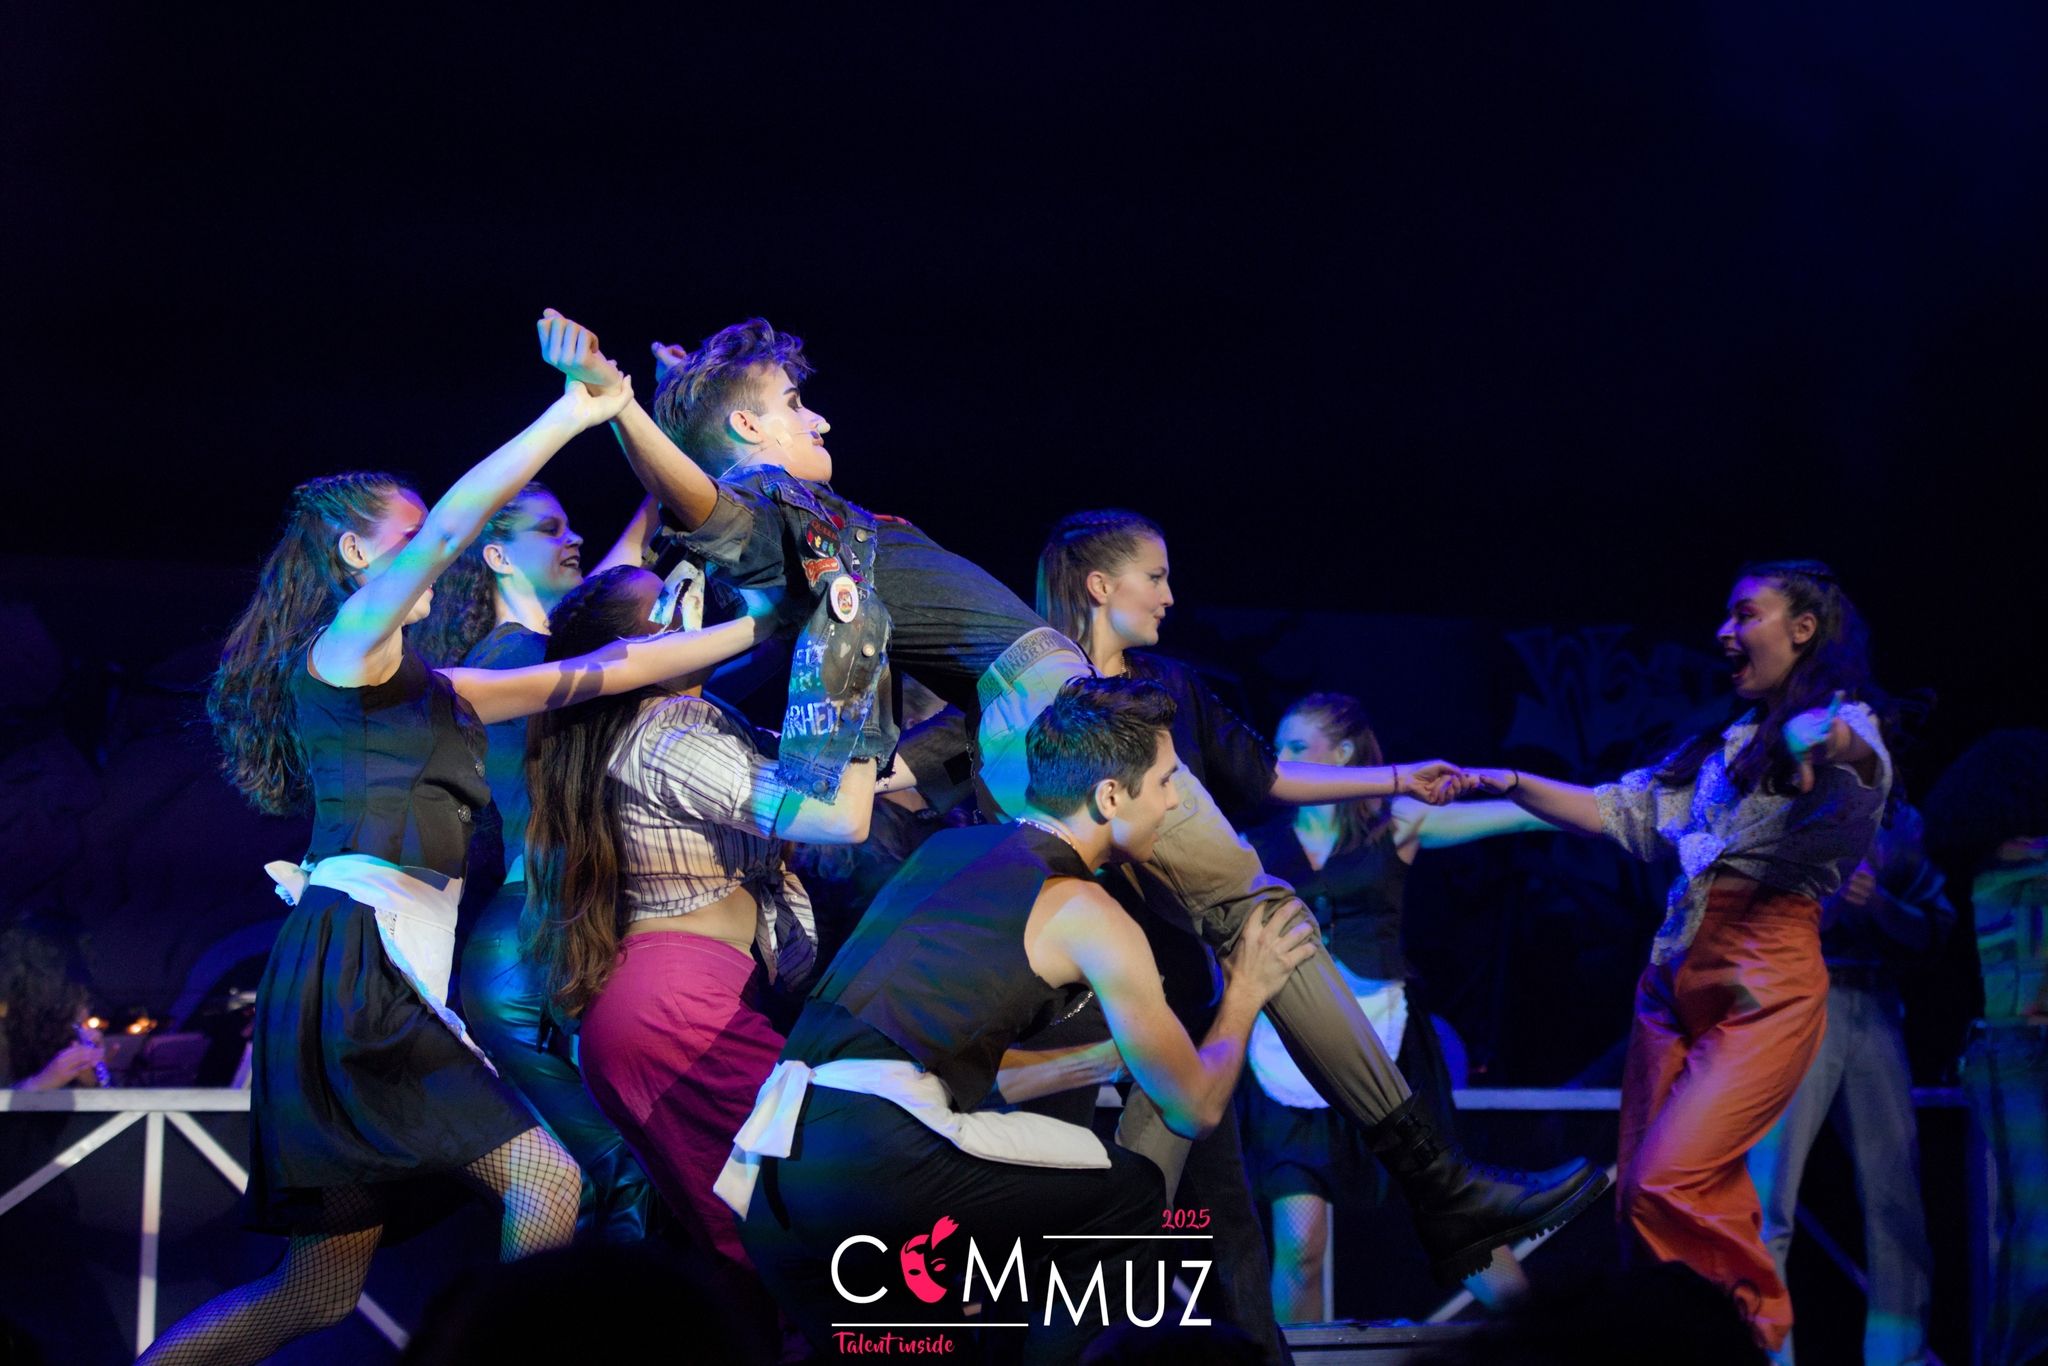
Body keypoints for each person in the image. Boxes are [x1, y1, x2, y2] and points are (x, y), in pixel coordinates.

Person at [535, 309, 1605, 1284]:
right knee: (1254, 909)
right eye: (791, 404)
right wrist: (626, 409)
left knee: (1174, 977)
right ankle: (1439, 1186)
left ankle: (1140, 1258)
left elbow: (716, 502)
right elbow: (708, 504)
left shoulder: (814, 521)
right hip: (1049, 706)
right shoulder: (775, 504)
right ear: (748, 433)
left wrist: (667, 396)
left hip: (1022, 717)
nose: (819, 417)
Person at [142, 368, 795, 1366]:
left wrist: (770, 623)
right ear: (357, 556)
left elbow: (605, 670)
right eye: (408, 541)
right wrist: (571, 414)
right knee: (548, 1181)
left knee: (315, 1294)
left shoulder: (437, 689)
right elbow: (455, 528)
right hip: (356, 966)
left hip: (379, 966)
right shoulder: (343, 652)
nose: (433, 558)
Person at [724, 677, 1318, 1361]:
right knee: (1131, 1192)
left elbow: (941, 1063)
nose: (1176, 802)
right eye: (1165, 781)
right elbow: (1195, 1108)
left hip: (778, 1175)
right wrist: (1246, 991)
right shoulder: (1086, 912)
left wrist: (1096, 1061)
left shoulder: (944, 855)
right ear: (1110, 797)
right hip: (880, 1163)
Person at [1459, 560, 1893, 1354]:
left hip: (1762, 981)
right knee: (1640, 1196)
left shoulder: (1843, 725)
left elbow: (1859, 760)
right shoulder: (1724, 749)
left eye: (1745, 614)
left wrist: (1821, 737)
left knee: (1672, 1180)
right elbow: (1616, 809)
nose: (1725, 632)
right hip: (1671, 980)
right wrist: (1511, 780)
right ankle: (1667, 1341)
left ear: (1803, 629)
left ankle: (1750, 1341)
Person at [522, 563, 884, 1358]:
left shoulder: (670, 724)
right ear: (634, 652)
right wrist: (862, 671)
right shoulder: (667, 733)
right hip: (678, 1014)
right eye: (668, 605)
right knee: (812, 1229)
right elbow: (836, 815)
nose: (692, 604)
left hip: (659, 1010)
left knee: (756, 1257)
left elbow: (820, 781)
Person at [1241, 692, 1555, 1321]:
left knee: (1456, 1223)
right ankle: (1300, 1361)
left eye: (1298, 746)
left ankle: (1538, 1343)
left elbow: (1520, 819)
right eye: (1280, 747)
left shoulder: (1398, 823)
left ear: (1344, 754)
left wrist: (1608, 808)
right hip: (1288, 1055)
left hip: (1387, 1043)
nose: (1283, 757)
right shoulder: (1252, 846)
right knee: (1300, 1246)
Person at [415, 483, 663, 1241]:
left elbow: (620, 575)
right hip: (543, 938)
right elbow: (623, 607)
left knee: (582, 1184)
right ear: (497, 556)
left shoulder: (519, 656)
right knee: (627, 1175)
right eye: (550, 529)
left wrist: (659, 482)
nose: (573, 538)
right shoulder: (524, 658)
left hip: (524, 935)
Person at [1745, 798, 1950, 1366]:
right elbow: (1737, 919)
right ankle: (1766, 1355)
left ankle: (1898, 1357)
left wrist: (1879, 904)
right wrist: (1828, 908)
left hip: (1874, 1002)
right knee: (1767, 1200)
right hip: (1791, 1003)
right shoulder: (1776, 806)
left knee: (1895, 1199)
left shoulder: (1899, 822)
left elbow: (1935, 930)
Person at [1921, 728, 2048, 1366]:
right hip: (2012, 1052)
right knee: (2036, 1230)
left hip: (2013, 1051)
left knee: (2031, 1229)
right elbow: (2017, 991)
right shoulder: (2003, 871)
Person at [0, 913, 104, 1091]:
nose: (84, 1012)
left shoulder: (56, 1035)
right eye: (75, 993)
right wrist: (38, 1084)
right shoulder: (6, 1034)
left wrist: (90, 1084)